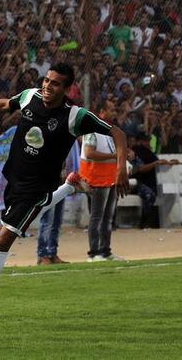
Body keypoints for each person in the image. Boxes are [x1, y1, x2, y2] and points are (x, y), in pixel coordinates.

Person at [0, 63, 129, 320]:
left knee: (2, 241)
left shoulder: (75, 116)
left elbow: (117, 133)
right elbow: (4, 104)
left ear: (66, 89)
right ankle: (69, 187)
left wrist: (121, 168)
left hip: (36, 186)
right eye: (46, 80)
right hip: (14, 178)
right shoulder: (30, 96)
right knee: (20, 218)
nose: (47, 86)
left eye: (54, 83)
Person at [80, 99, 122, 262]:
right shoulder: (92, 130)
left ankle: (105, 251)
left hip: (109, 178)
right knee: (97, 216)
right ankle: (94, 252)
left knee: (107, 217)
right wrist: (115, 156)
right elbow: (89, 153)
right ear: (102, 112)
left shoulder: (110, 130)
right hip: (96, 178)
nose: (114, 112)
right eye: (111, 110)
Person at [37, 140, 79, 265]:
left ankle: (52, 253)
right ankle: (42, 255)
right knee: (47, 221)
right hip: (47, 185)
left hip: (61, 184)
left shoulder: (68, 143)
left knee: (56, 221)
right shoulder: (45, 141)